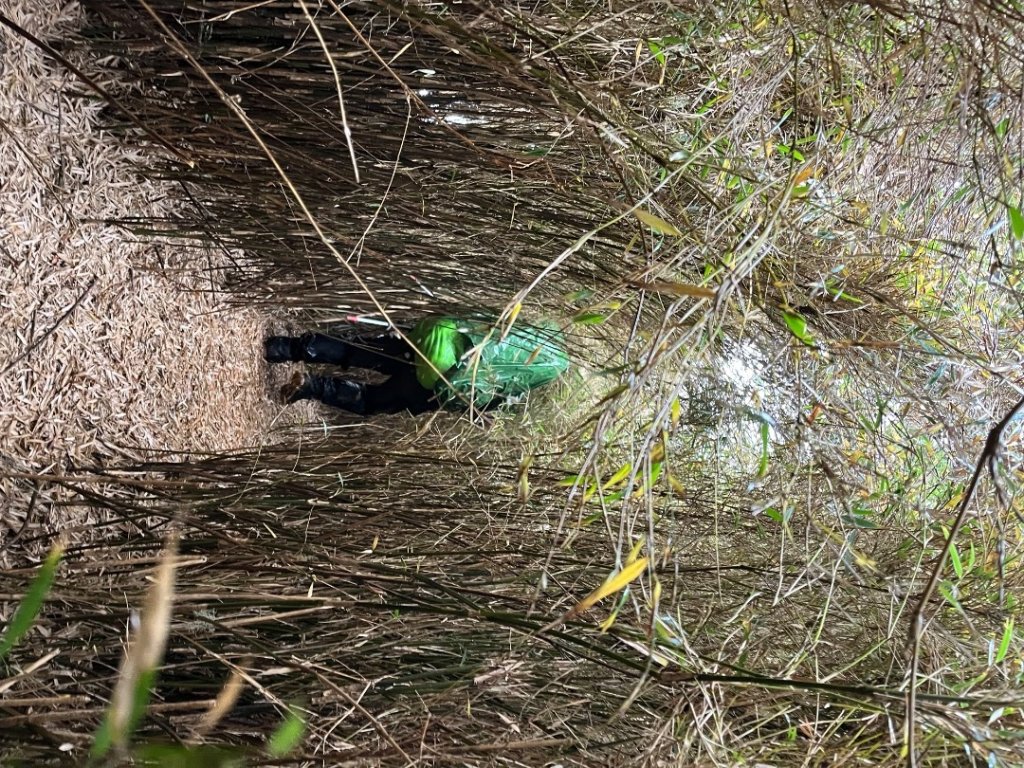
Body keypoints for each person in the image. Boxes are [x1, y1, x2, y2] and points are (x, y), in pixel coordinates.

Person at [264, 315, 569, 415]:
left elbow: (476, 320)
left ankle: (282, 348)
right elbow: (481, 402)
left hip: (434, 341)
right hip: (432, 382)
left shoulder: (522, 331)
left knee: (358, 350)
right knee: (370, 400)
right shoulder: (526, 377)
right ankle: (310, 386)